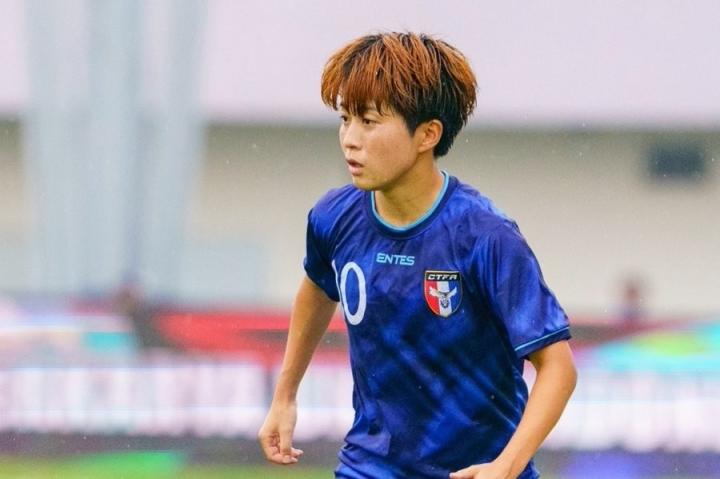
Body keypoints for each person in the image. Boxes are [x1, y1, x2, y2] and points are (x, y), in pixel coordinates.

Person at [258, 32, 577, 479]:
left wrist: (507, 465)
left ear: (428, 134)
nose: (350, 139)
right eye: (345, 119)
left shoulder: (485, 237)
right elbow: (316, 288)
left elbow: (558, 368)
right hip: (368, 467)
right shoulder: (334, 216)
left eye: (369, 121)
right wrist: (285, 395)